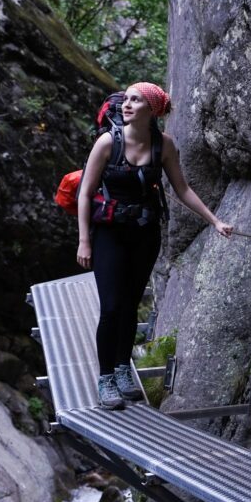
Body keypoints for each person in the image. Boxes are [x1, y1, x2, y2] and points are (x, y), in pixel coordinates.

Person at [76, 82, 233, 410]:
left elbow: (182, 189)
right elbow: (86, 193)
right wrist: (84, 241)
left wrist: (215, 221)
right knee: (111, 307)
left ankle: (122, 369)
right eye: (126, 99)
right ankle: (106, 378)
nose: (126, 105)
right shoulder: (108, 142)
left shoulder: (164, 146)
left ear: (152, 109)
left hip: (144, 235)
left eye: (136, 100)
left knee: (131, 305)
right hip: (109, 234)